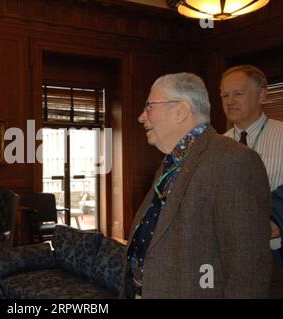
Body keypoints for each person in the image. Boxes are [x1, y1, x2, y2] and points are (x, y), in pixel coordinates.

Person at [120, 72, 272, 299]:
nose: (142, 117)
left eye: (150, 107)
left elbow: (247, 271)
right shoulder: (170, 163)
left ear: (181, 111)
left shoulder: (235, 161)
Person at [220, 65, 283, 297]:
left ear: (262, 94)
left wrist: (275, 222)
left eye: (238, 93)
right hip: (227, 262)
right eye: (224, 95)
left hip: (275, 259)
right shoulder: (215, 147)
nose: (229, 101)